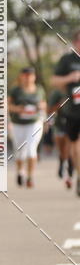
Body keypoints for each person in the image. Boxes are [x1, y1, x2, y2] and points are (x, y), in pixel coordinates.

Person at [52, 31, 80, 196]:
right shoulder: (67, 60)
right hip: (73, 111)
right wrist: (69, 78)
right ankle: (78, 177)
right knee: (75, 146)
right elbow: (54, 81)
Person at [8, 67, 46, 188]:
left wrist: (41, 106)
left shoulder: (39, 90)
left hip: (34, 123)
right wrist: (17, 109)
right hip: (18, 124)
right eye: (25, 75)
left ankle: (30, 177)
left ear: (34, 77)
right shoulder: (15, 90)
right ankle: (20, 171)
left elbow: (44, 104)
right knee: (20, 152)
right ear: (21, 76)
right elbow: (6, 105)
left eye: (30, 75)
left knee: (31, 148)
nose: (28, 78)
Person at [47, 87, 73, 188]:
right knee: (62, 151)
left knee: (69, 149)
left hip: (73, 124)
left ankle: (68, 175)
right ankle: (62, 162)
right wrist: (60, 104)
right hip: (59, 125)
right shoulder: (57, 93)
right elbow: (49, 110)